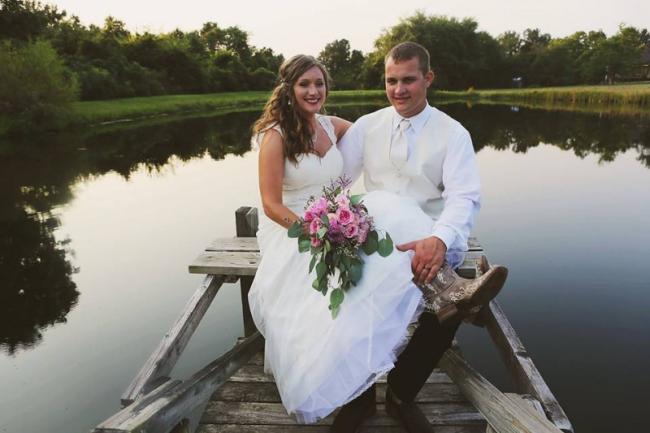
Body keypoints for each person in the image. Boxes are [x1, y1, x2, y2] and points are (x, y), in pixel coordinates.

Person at [333, 41, 507, 433]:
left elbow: (464, 196)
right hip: (375, 237)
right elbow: (337, 182)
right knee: (350, 294)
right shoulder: (366, 127)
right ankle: (359, 398)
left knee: (445, 311)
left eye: (408, 80)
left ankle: (400, 395)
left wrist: (441, 239)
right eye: (391, 81)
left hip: (428, 236)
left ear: (428, 78)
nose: (399, 90)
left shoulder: (453, 133)